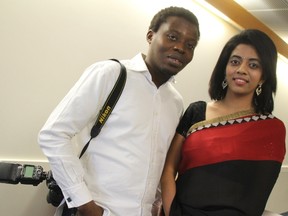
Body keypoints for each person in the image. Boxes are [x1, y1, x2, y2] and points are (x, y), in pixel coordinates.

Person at [38, 6, 200, 216]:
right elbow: (53, 134)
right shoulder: (111, 74)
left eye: (190, 45)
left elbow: (159, 164)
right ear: (150, 36)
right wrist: (85, 204)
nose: (180, 48)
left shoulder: (175, 102)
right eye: (172, 37)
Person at [160, 29, 286, 216]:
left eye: (253, 65)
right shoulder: (196, 112)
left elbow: (256, 195)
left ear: (264, 76)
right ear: (224, 67)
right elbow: (168, 169)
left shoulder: (271, 129)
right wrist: (173, 212)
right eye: (235, 62)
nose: (241, 69)